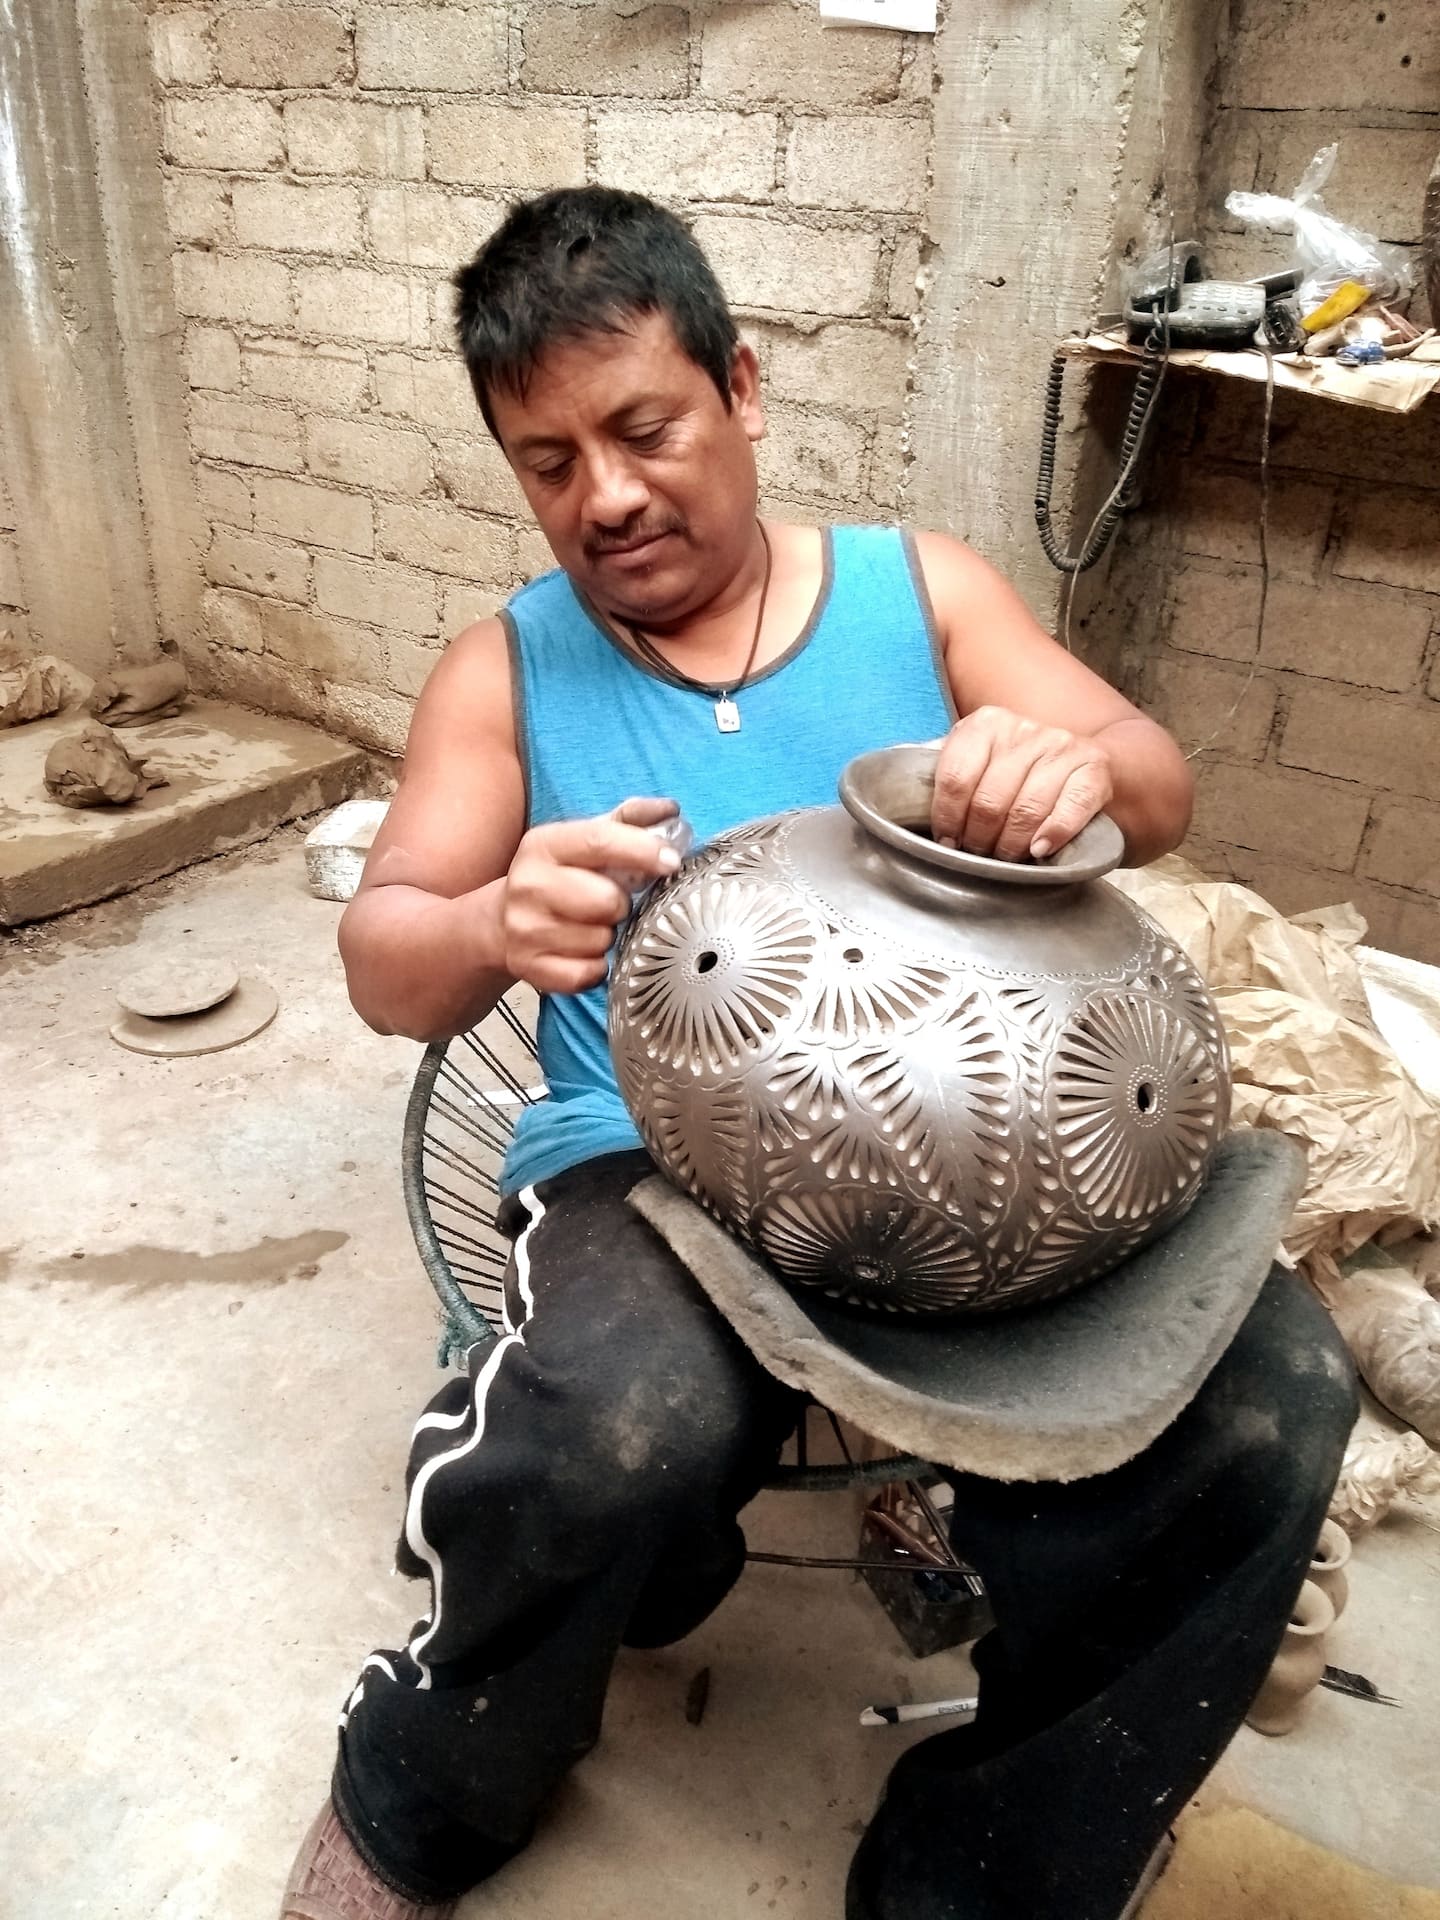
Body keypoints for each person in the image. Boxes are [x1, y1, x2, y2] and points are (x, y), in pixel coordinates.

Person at [282, 188, 1356, 1920]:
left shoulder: (920, 593)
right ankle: (431, 1787)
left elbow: (1153, 785)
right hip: (657, 1163)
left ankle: (996, 1863)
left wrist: (1069, 766)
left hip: (987, 1151)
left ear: (744, 390)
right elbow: (383, 967)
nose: (609, 496)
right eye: (548, 462)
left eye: (644, 428)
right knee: (611, 1437)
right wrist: (489, 928)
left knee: (1273, 1404)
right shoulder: (502, 671)